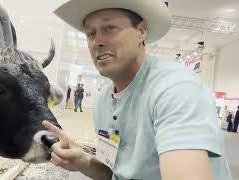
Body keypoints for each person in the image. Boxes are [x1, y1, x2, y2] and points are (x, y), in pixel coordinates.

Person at [43, 0, 232, 179]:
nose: (97, 42)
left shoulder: (176, 89)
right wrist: (84, 162)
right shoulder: (103, 100)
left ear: (141, 32)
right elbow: (114, 174)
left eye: (109, 28)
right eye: (90, 33)